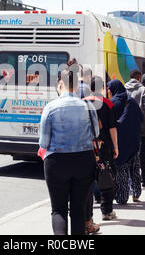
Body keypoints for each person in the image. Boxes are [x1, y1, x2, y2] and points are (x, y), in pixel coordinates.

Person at [39, 60, 99, 235]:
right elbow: (96, 132)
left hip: (56, 161)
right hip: (84, 160)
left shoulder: (50, 107)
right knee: (79, 210)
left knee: (58, 209)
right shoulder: (88, 106)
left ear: (60, 84)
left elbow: (43, 142)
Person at [84, 76, 119, 223]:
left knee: (87, 182)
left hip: (86, 148)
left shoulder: (83, 102)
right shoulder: (107, 103)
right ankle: (107, 211)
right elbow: (112, 128)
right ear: (102, 88)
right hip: (104, 148)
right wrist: (116, 147)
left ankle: (88, 216)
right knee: (106, 178)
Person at [108, 79, 144, 204]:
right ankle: (136, 193)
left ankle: (122, 197)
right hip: (134, 140)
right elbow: (141, 118)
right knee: (134, 167)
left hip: (120, 142)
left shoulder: (113, 103)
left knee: (121, 168)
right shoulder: (132, 101)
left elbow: (110, 124)